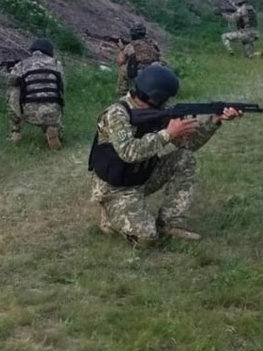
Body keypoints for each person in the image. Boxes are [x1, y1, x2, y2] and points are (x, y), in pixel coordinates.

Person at [88, 64, 241, 244]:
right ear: (156, 97)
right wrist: (167, 134)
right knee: (147, 240)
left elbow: (189, 145)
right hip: (115, 188)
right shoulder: (117, 114)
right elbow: (129, 152)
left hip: (141, 178)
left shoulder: (159, 112)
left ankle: (171, 221)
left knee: (185, 158)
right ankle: (110, 213)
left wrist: (214, 122)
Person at [8, 38, 65, 150]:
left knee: (13, 90)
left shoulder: (21, 65)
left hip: (30, 112)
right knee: (56, 90)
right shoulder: (56, 64)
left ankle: (15, 131)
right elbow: (62, 87)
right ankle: (54, 128)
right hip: (52, 112)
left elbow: (10, 82)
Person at [116, 23, 165, 96]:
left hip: (140, 72)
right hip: (155, 71)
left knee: (123, 68)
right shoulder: (152, 44)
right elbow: (162, 58)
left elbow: (120, 61)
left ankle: (123, 92)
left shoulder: (131, 46)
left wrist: (121, 49)